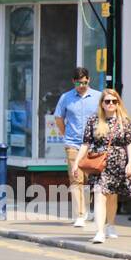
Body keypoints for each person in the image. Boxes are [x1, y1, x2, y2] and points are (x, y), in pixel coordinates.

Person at [73, 89, 131, 244]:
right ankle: (99, 232)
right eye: (107, 101)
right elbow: (86, 143)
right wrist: (76, 163)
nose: (111, 104)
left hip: (118, 162)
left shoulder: (124, 121)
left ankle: (111, 225)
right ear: (102, 103)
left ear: (118, 103)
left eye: (114, 101)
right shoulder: (93, 120)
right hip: (99, 163)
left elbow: (130, 143)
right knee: (100, 193)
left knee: (112, 196)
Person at [53, 67, 100, 228]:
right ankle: (80, 214)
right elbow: (59, 118)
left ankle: (87, 208)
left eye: (85, 82)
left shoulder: (98, 97)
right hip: (73, 144)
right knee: (76, 178)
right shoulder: (66, 98)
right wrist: (65, 133)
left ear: (89, 80)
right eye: (79, 82)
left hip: (93, 145)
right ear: (73, 81)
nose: (82, 85)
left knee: (90, 180)